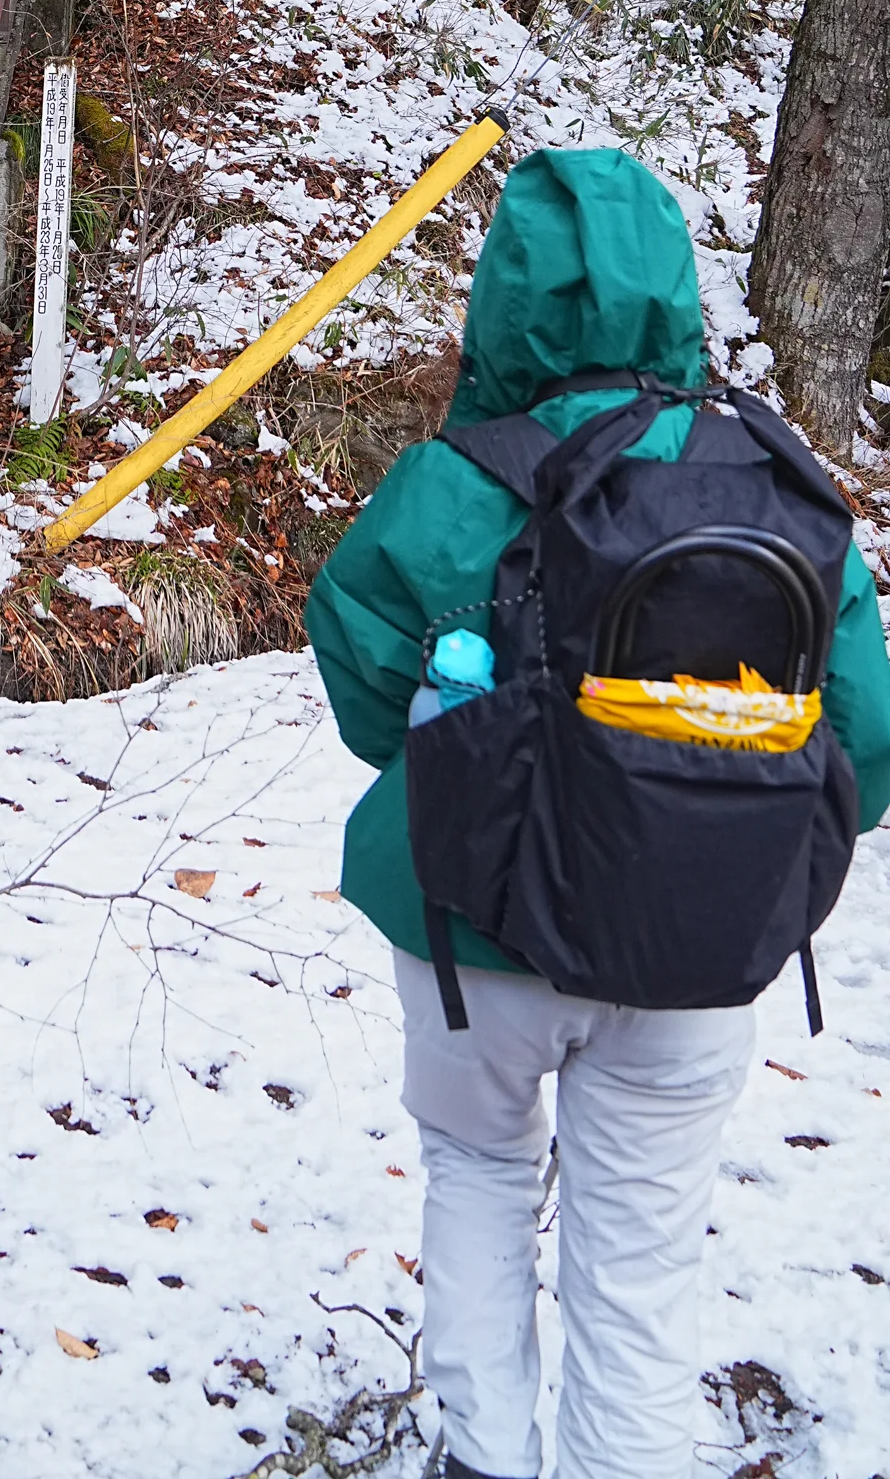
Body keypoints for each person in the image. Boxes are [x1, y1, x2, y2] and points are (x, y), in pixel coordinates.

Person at [306, 145, 890, 1479]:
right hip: (699, 944)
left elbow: (359, 686)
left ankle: (487, 1458)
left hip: (475, 933)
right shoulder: (776, 486)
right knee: (641, 1248)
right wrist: (715, 821)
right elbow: (866, 735)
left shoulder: (450, 482)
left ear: (502, 300)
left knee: (480, 1177)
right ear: (679, 293)